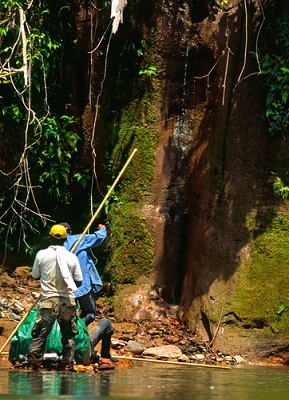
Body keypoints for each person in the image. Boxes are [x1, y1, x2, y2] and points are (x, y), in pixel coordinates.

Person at [27, 224, 83, 371]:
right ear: (66, 239)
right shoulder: (72, 257)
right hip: (67, 301)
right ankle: (68, 367)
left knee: (40, 335)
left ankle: (34, 367)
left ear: (49, 237)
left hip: (48, 301)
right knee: (68, 336)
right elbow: (79, 281)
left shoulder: (41, 254)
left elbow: (35, 276)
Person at [58, 221, 107, 326]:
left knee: (66, 315)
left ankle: (70, 330)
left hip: (62, 289)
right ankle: (78, 330)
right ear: (69, 231)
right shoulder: (78, 240)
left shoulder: (53, 247)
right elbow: (98, 238)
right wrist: (102, 229)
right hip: (81, 286)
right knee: (90, 313)